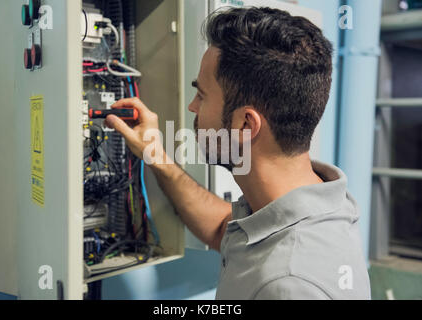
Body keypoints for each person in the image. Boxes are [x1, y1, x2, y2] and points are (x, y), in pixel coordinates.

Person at [105, 7, 371, 300]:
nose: (192, 106)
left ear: (245, 124)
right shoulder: (318, 207)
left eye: (202, 95)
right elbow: (224, 230)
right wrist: (156, 155)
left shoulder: (289, 283)